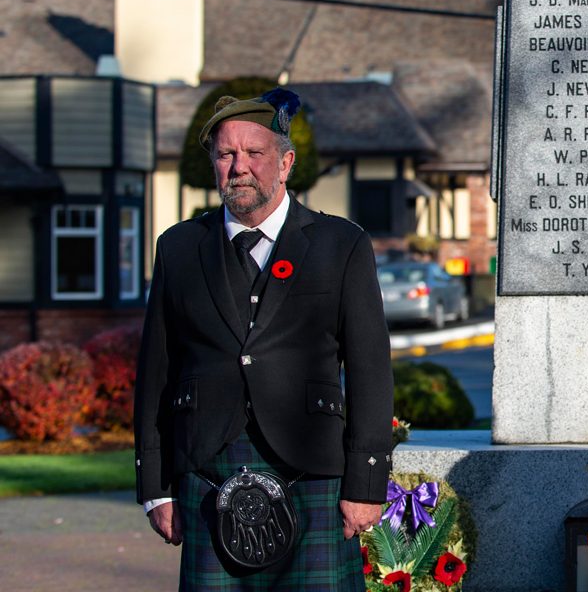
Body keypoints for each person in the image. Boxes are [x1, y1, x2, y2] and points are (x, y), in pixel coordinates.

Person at [134, 89, 394, 590]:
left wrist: (366, 482)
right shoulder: (179, 247)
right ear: (212, 163)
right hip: (207, 470)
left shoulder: (342, 245)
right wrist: (155, 487)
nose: (239, 167)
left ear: (285, 162)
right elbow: (155, 374)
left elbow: (370, 369)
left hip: (314, 470)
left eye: (254, 153)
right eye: (226, 154)